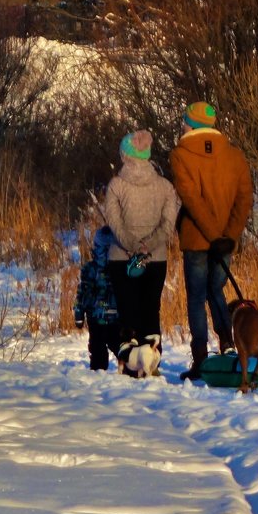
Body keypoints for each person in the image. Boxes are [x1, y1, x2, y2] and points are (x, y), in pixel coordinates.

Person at [169, 101, 253, 380]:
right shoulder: (235, 156)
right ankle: (229, 345)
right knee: (215, 291)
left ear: (190, 123)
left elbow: (191, 200)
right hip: (225, 243)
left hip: (196, 240)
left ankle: (201, 359)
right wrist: (228, 236)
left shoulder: (180, 155)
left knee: (196, 298)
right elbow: (244, 199)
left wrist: (214, 236)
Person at [102, 130, 181, 365]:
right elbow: (168, 225)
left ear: (125, 155)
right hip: (155, 259)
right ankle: (152, 358)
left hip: (121, 258)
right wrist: (147, 246)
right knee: (150, 310)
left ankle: (130, 359)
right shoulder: (165, 187)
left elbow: (114, 222)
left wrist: (132, 246)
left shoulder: (116, 185)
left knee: (127, 311)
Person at [73, 226, 121, 370]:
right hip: (116, 316)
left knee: (97, 349)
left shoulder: (90, 268)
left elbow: (82, 292)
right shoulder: (119, 267)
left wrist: (78, 314)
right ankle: (130, 372)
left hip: (95, 316)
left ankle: (98, 375)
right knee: (121, 347)